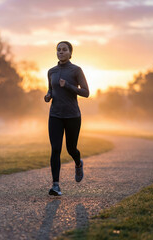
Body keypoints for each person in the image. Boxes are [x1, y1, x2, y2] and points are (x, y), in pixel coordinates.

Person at [44, 41, 90, 196]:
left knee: (71, 149)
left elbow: (85, 92)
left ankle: (78, 163)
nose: (61, 52)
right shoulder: (51, 71)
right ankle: (55, 185)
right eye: (58, 50)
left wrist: (69, 86)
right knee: (55, 149)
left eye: (64, 50)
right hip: (55, 115)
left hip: (72, 116)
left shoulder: (76, 70)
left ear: (70, 53)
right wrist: (48, 95)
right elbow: (51, 89)